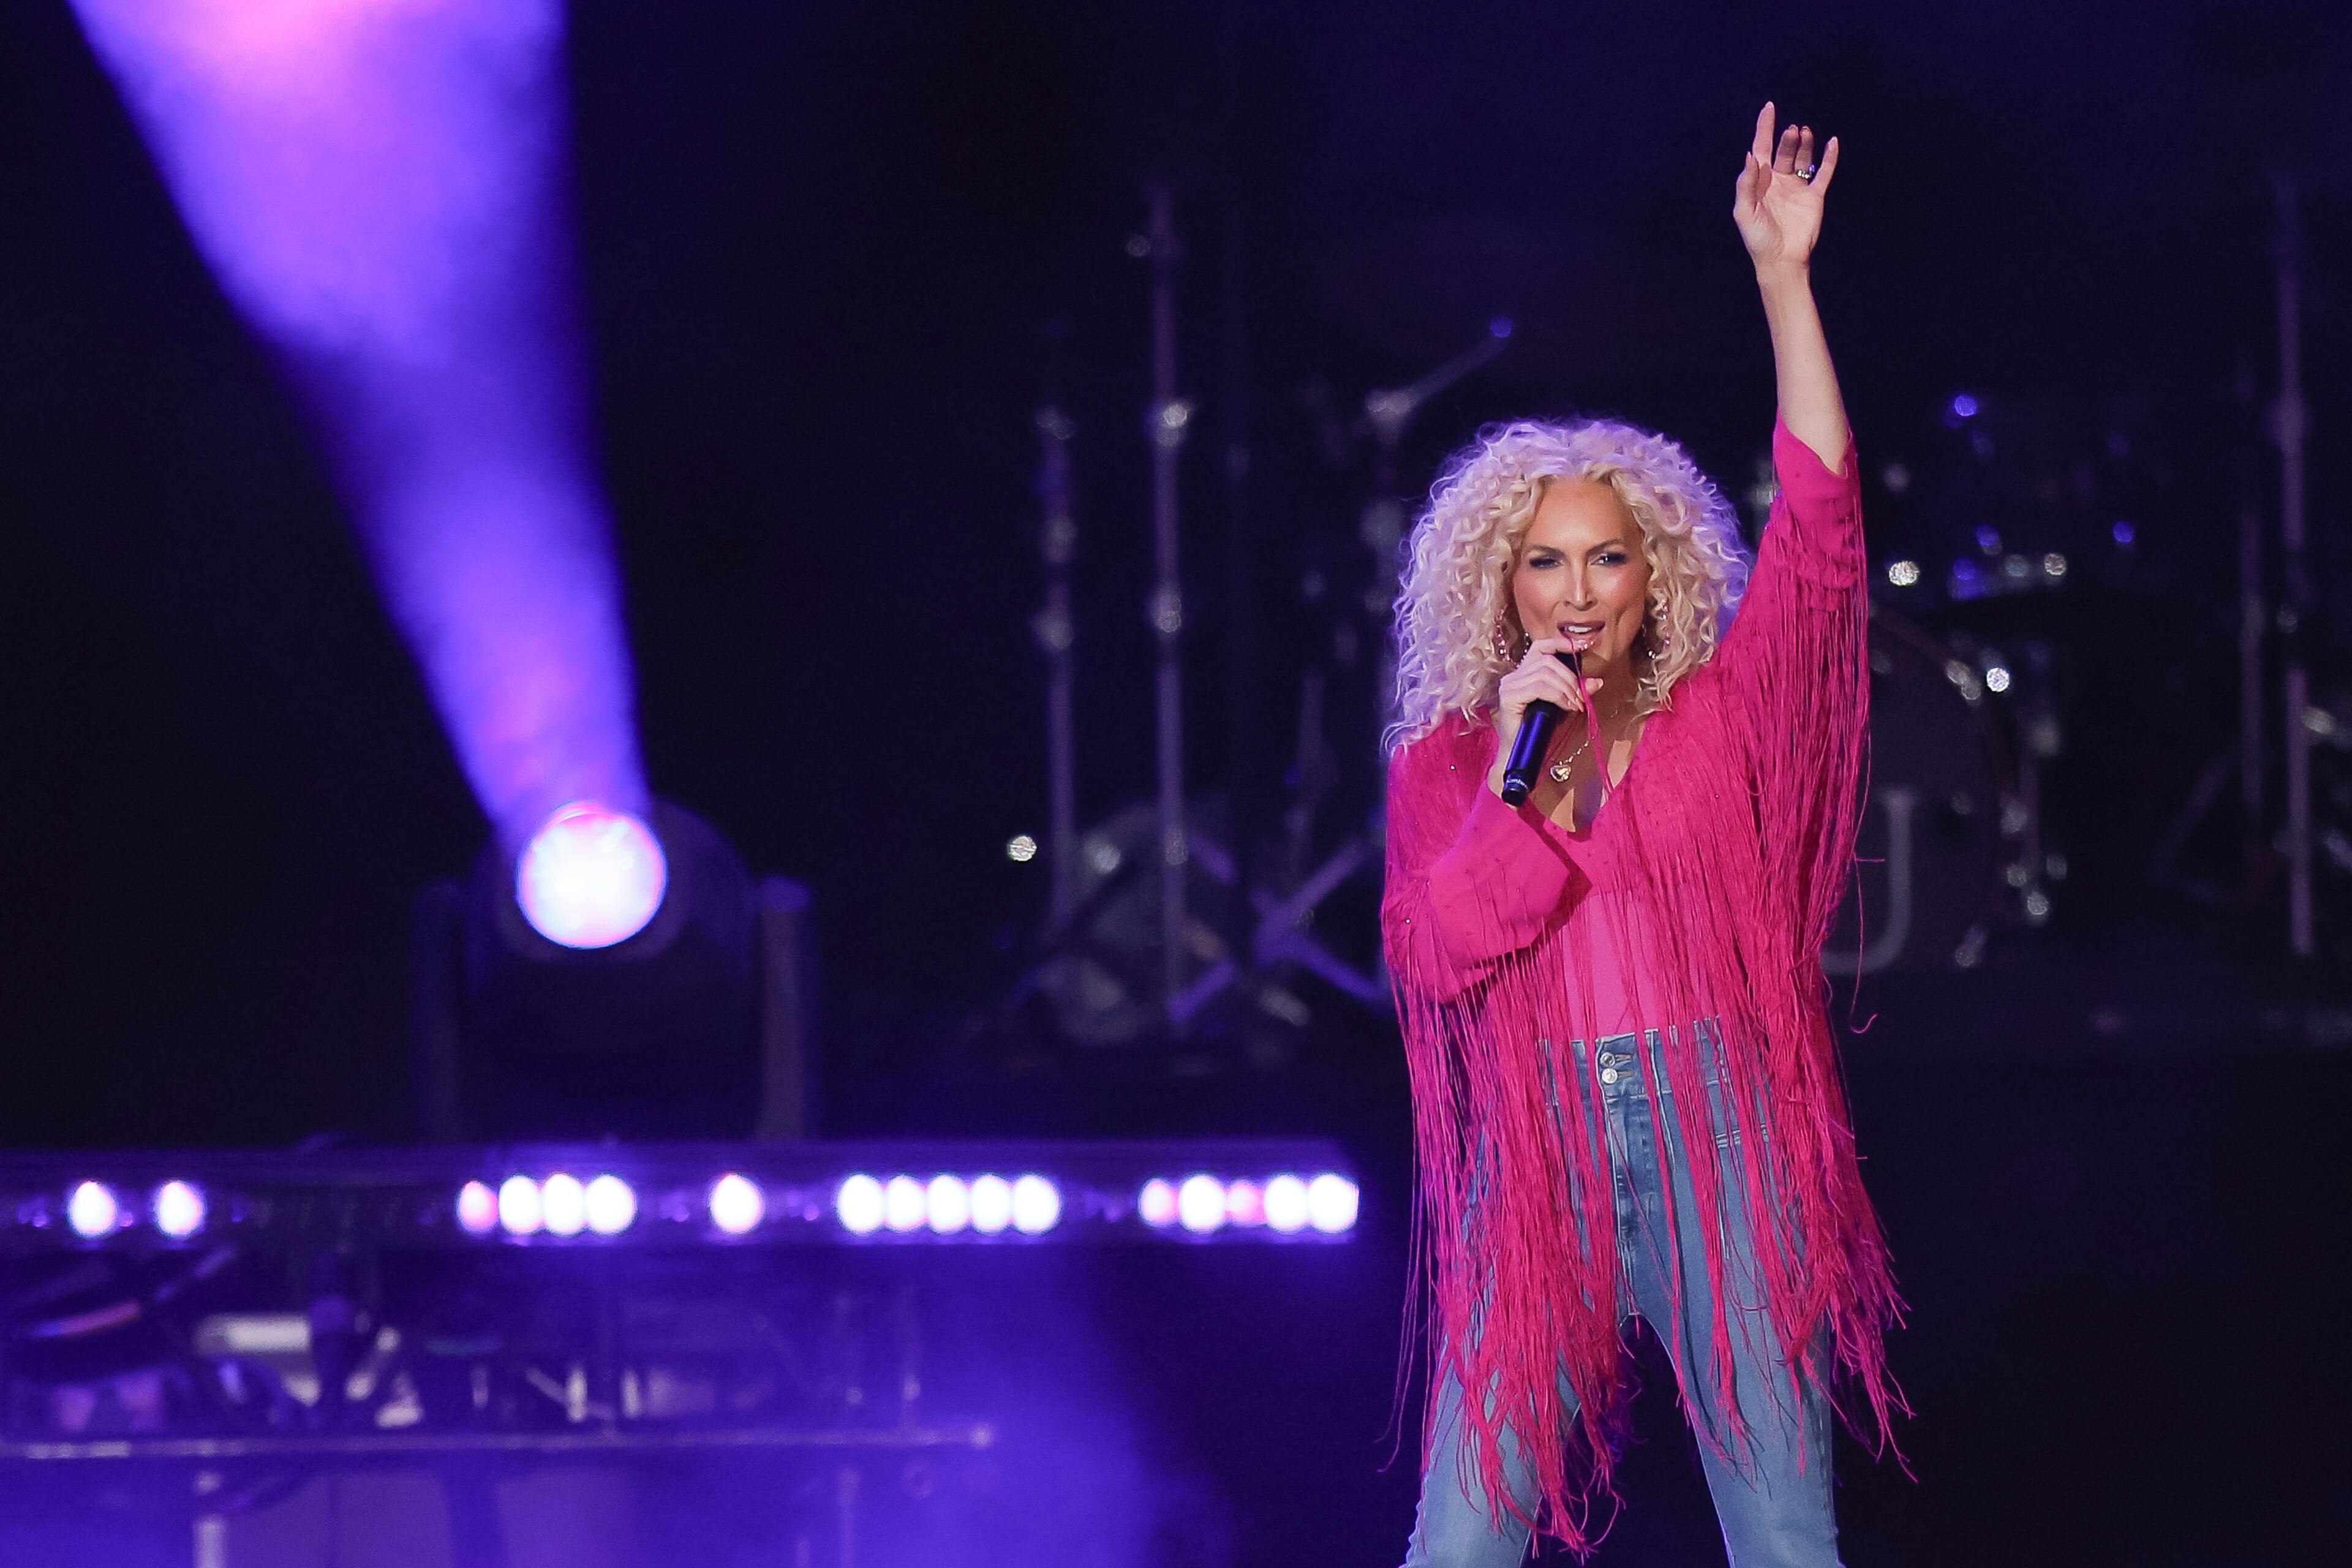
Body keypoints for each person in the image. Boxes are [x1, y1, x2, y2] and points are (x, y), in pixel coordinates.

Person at [1382, 104, 1901, 1566]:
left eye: (1607, 557)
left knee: (1786, 1539)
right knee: (1458, 1543)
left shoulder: (1719, 718)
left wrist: (1783, 279)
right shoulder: (1454, 760)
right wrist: (1520, 792)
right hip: (1539, 1152)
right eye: (1544, 562)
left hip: (1721, 1133)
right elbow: (1431, 950)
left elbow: (1821, 535)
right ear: (1502, 587)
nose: (1576, 591)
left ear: (1654, 573)